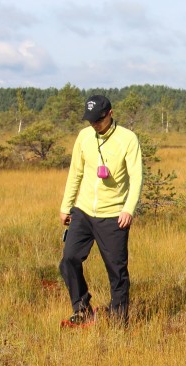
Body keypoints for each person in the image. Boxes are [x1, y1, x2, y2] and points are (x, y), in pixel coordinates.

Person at [59, 94, 143, 326]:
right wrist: (66, 206)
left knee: (117, 270)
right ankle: (82, 308)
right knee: (69, 259)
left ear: (110, 114)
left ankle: (118, 321)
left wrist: (128, 209)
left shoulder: (128, 139)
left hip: (113, 215)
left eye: (99, 119)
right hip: (83, 211)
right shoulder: (84, 137)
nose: (94, 124)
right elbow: (75, 172)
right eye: (91, 120)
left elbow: (136, 178)